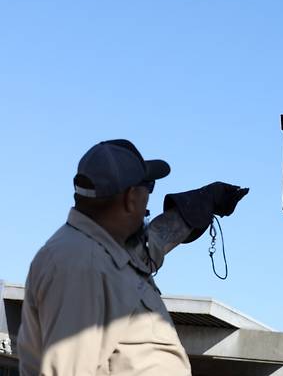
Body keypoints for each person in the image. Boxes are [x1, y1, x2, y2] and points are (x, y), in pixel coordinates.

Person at [17, 139, 248, 376]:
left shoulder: (106, 254)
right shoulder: (80, 264)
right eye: (148, 190)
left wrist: (196, 207)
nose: (148, 201)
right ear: (130, 198)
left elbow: (152, 245)